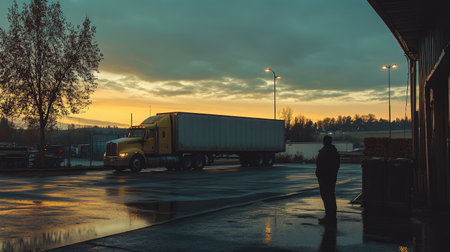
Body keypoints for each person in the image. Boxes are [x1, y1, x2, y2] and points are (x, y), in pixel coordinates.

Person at [316, 135, 340, 224]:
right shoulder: (334, 151)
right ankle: (332, 215)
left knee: (326, 196)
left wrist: (319, 174)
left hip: (324, 177)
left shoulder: (324, 152)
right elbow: (337, 165)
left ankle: (329, 216)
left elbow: (320, 165)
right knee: (331, 195)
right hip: (331, 177)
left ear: (324, 141)